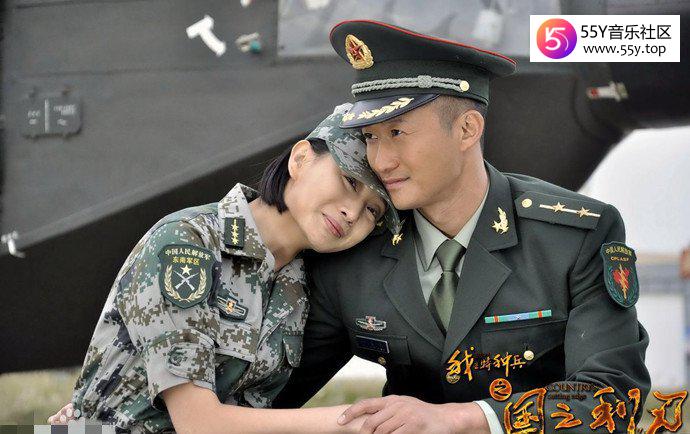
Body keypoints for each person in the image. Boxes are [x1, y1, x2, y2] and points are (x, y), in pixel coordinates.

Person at [273, 20, 651, 434]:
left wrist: (464, 418)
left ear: (467, 129)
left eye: (397, 132)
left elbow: (611, 397)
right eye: (371, 137)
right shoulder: (354, 257)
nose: (380, 161)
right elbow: (272, 397)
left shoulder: (573, 237)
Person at [49, 103, 401, 433]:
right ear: (301, 159)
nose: (352, 213)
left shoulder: (300, 285)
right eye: (350, 181)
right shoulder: (189, 242)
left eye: (373, 210)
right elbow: (199, 424)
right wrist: (354, 422)